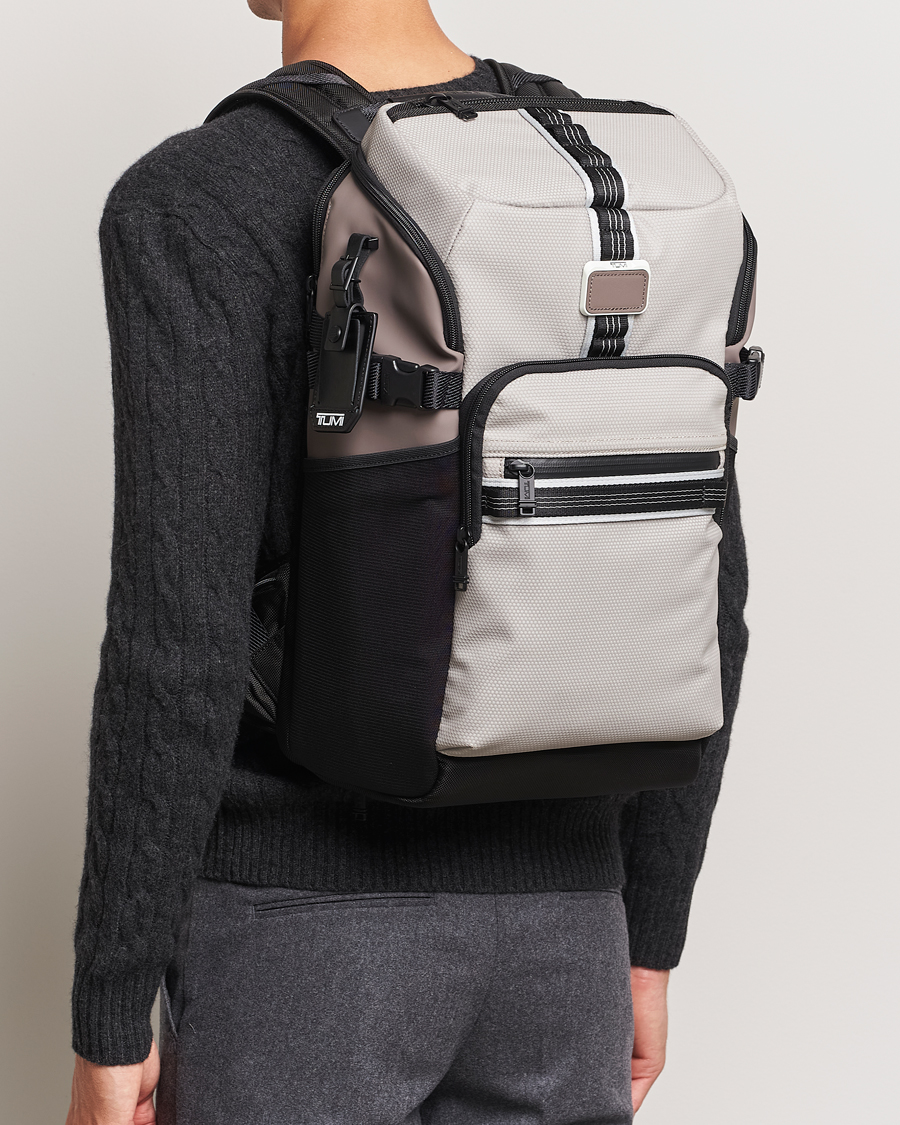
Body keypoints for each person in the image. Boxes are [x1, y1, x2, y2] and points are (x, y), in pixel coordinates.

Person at [65, 1, 750, 1122]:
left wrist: (109, 1009)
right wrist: (648, 940)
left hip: (299, 943)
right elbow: (709, 593)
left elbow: (177, 640)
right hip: (569, 936)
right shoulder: (601, 180)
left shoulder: (197, 197)